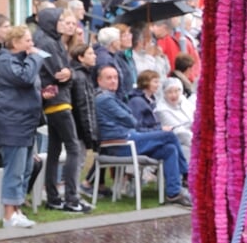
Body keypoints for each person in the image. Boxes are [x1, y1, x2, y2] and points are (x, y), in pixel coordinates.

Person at [93, 65, 190, 206]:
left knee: (170, 149)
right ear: (99, 81)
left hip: (129, 139)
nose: (113, 81)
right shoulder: (104, 99)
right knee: (169, 136)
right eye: (109, 78)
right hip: (120, 144)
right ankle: (187, 175)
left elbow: (130, 119)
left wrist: (129, 118)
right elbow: (131, 120)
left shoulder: (113, 97)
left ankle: (173, 193)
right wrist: (129, 118)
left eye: (115, 77)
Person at [32, 8, 90, 213]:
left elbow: (65, 73)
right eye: (59, 20)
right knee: (73, 148)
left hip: (54, 101)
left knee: (55, 151)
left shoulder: (47, 40)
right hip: (59, 101)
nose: (62, 24)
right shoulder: (48, 42)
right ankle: (71, 197)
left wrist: (69, 73)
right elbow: (60, 73)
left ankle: (54, 197)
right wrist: (71, 74)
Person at [0, 24, 43, 228]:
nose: (32, 45)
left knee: (26, 168)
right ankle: (8, 214)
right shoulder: (5, 60)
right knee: (15, 169)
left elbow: (27, 84)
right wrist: (35, 58)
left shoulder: (21, 61)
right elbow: (25, 78)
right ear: (15, 42)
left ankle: (17, 209)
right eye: (28, 40)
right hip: (13, 123)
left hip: (26, 122)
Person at [67, 43, 102, 155]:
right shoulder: (80, 77)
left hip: (77, 129)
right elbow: (83, 106)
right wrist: (90, 135)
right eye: (90, 53)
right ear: (81, 57)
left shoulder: (84, 75)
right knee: (77, 162)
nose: (95, 56)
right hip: (79, 131)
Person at [94, 23, 137, 102]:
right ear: (113, 42)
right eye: (119, 39)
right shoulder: (106, 59)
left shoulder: (126, 56)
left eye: (129, 34)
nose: (120, 42)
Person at [155, 76, 194, 158]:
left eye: (177, 91)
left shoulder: (184, 101)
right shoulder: (161, 109)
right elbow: (176, 129)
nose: (174, 95)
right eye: (170, 92)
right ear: (164, 94)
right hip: (178, 140)